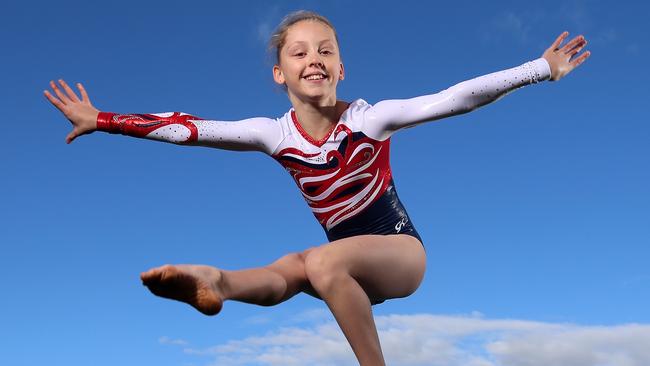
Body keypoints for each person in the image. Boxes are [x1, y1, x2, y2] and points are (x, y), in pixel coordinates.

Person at [44, 10, 590, 366]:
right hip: (347, 274)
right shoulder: (271, 134)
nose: (314, 60)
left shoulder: (371, 119)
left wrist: (539, 68)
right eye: (299, 52)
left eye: (326, 50)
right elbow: (189, 128)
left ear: (342, 69)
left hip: (400, 253)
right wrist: (103, 119)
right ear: (280, 74)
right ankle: (217, 282)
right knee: (293, 267)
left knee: (320, 262)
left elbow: (456, 97)